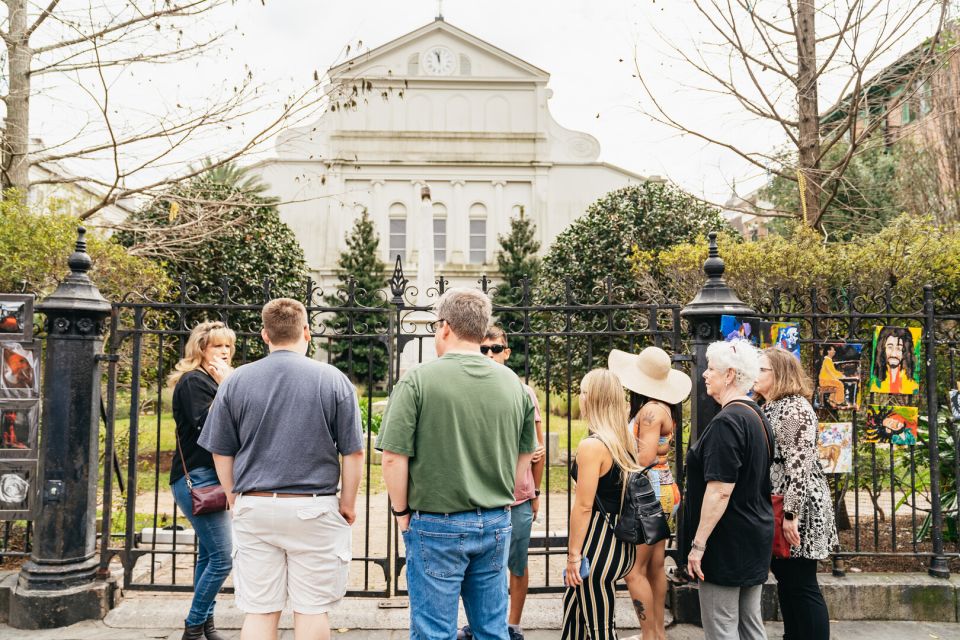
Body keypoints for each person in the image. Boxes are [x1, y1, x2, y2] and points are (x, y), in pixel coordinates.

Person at [198, 298, 364, 640]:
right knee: (312, 609)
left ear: (264, 335)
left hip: (256, 505)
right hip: (314, 505)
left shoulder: (236, 381)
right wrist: (347, 503)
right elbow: (353, 452)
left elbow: (221, 450)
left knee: (260, 611)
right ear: (306, 332)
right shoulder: (334, 380)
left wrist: (233, 496)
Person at [376, 288, 537, 640]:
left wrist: (402, 513)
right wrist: (504, 491)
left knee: (434, 631)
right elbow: (527, 453)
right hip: (495, 518)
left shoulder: (418, 380)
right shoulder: (513, 384)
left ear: (445, 326)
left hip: (435, 521)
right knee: (492, 628)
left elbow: (392, 457)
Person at [683, 340, 773, 640]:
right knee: (750, 626)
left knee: (721, 628)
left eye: (711, 369)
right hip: (754, 534)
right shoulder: (757, 416)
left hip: (726, 539)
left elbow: (720, 490)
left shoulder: (728, 421)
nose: (705, 375)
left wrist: (698, 545)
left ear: (730, 374)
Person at [462, 325, 545, 640]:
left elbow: (538, 451)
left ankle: (512, 624)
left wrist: (535, 493)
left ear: (506, 352)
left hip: (518, 497)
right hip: (481, 496)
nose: (489, 355)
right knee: (481, 569)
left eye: (494, 349)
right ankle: (483, 623)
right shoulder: (470, 387)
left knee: (516, 564)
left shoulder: (523, 392)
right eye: (483, 349)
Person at [754, 347, 838, 640]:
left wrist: (791, 514)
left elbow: (798, 466)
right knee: (788, 582)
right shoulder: (769, 405)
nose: (754, 374)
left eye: (760, 369)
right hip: (781, 504)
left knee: (801, 583)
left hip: (797, 506)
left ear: (779, 374)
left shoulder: (794, 408)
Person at [608, 347, 691, 640]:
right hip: (664, 488)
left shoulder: (650, 411)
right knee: (656, 565)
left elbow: (642, 459)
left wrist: (613, 445)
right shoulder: (662, 408)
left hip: (649, 490)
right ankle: (657, 635)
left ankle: (649, 635)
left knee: (634, 570)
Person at [562, 368, 643, 639]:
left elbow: (584, 506)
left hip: (597, 544)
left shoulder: (592, 446)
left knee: (599, 628)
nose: (580, 398)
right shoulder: (623, 438)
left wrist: (574, 555)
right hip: (617, 539)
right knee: (575, 616)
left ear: (593, 399)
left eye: (583, 392)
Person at [168, 320, 236, 640]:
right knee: (223, 558)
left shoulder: (215, 380)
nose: (224, 351)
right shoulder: (193, 382)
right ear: (201, 349)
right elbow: (208, 430)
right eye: (217, 346)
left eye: (228, 346)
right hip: (196, 478)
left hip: (212, 477)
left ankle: (206, 626)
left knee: (209, 555)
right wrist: (226, 388)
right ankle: (193, 627)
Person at [869, 326, 919, 395]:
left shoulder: (911, 383)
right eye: (890, 347)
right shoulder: (876, 380)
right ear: (882, 348)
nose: (893, 354)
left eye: (899, 348)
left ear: (905, 351)